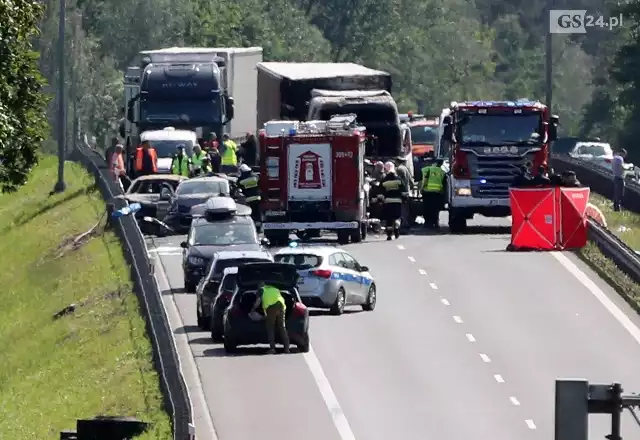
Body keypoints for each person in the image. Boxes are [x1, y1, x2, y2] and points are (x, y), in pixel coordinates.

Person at [252, 281, 289, 354]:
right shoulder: (274, 289)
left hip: (272, 307)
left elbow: (258, 301)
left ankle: (272, 348)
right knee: (282, 327)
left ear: (259, 286)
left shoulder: (261, 290)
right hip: (281, 306)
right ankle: (287, 349)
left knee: (270, 327)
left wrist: (253, 309)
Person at [380, 161, 408, 240]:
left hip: (387, 202)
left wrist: (381, 200)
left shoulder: (384, 180)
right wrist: (405, 199)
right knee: (398, 217)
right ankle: (396, 228)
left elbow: (380, 192)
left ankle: (389, 235)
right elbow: (404, 191)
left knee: (389, 219)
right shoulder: (398, 179)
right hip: (397, 202)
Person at [420, 157, 446, 229]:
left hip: (427, 192)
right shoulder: (442, 172)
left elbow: (421, 181)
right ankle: (436, 223)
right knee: (435, 209)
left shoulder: (424, 170)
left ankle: (428, 223)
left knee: (427, 208)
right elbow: (444, 184)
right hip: (437, 193)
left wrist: (421, 190)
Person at [395, 156, 414, 232]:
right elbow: (411, 182)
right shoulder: (406, 169)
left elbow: (398, 181)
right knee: (405, 209)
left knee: (401, 209)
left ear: (397, 161)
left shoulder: (399, 169)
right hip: (406, 192)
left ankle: (402, 225)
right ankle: (406, 223)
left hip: (401, 191)